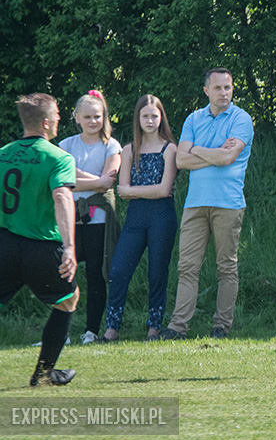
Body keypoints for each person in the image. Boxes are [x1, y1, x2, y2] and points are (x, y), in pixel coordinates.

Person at [155, 67, 253, 340]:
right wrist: (210, 152)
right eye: (219, 88)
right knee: (187, 266)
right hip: (195, 204)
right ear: (206, 90)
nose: (225, 92)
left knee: (226, 266)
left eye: (228, 87)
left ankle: (221, 326)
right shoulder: (194, 118)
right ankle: (178, 327)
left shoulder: (241, 118)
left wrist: (195, 149)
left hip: (228, 203)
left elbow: (227, 159)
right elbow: (180, 160)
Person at [0, 93, 80, 386]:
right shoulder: (58, 157)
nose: (60, 118)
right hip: (42, 247)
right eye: (57, 114)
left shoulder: (2, 154)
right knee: (69, 299)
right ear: (46, 122)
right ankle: (44, 374)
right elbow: (62, 196)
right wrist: (69, 247)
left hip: (4, 243)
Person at [100, 95, 178, 342]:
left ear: (161, 118)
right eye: (145, 116)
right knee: (118, 270)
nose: (150, 120)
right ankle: (112, 328)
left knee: (157, 272)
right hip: (135, 218)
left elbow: (164, 190)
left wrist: (134, 191)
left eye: (155, 115)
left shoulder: (170, 149)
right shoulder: (129, 150)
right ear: (138, 119)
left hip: (162, 217)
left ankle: (154, 328)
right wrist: (137, 191)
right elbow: (122, 191)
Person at [58, 90, 122, 344]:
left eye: (97, 116)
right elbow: (64, 180)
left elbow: (107, 183)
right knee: (66, 274)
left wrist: (78, 178)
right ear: (76, 118)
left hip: (99, 222)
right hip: (70, 219)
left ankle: (91, 331)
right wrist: (93, 181)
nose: (93, 121)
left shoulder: (111, 146)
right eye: (87, 117)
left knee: (96, 274)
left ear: (104, 116)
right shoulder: (66, 146)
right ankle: (62, 332)